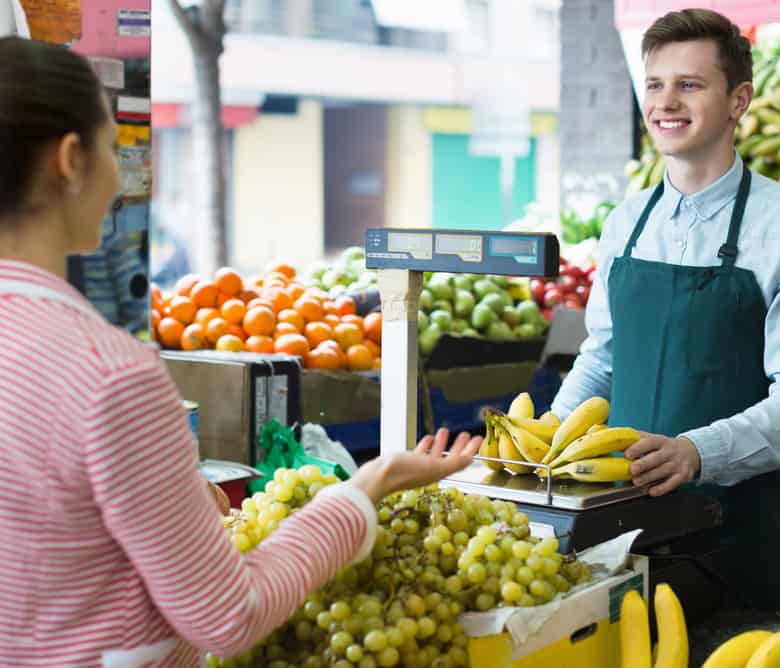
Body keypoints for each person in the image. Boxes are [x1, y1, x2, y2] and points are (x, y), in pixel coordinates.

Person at [0, 35, 480, 666]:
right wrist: (367, 488)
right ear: (70, 159)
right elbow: (228, 615)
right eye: (114, 149)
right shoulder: (110, 376)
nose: (122, 174)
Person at [551, 9, 780, 611]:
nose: (666, 102)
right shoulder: (625, 224)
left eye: (689, 84)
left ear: (739, 100)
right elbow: (602, 360)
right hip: (616, 542)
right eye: (656, 84)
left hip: (735, 550)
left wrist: (698, 451)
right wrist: (546, 442)